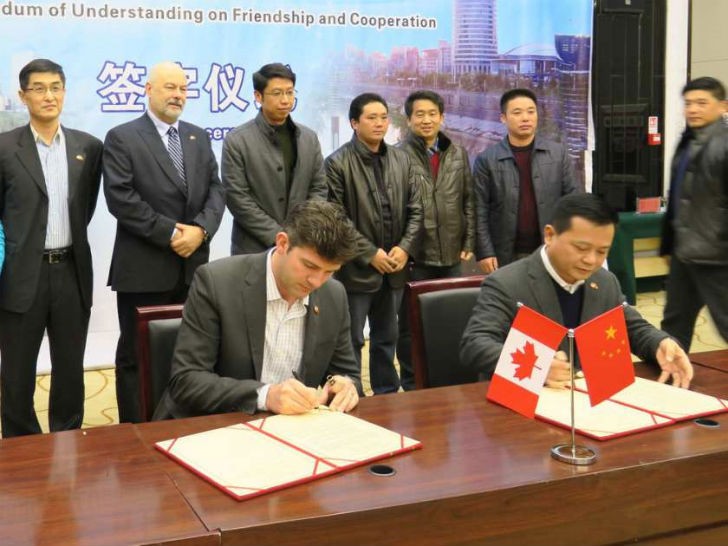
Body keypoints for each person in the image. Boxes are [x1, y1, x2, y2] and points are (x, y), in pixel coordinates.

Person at [153, 200, 362, 419]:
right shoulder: (216, 282)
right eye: (310, 266)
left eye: (329, 271)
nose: (317, 282)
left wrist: (345, 385)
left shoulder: (334, 295)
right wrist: (266, 396)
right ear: (282, 243)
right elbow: (186, 381)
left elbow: (348, 374)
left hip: (293, 430)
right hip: (218, 426)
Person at [461, 193, 693, 389]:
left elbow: (631, 327)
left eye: (602, 251)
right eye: (581, 248)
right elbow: (475, 344)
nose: (591, 260)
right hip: (523, 407)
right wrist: (537, 366)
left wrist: (661, 344)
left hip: (587, 401)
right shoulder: (506, 283)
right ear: (550, 235)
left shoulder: (605, 281)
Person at [103, 61, 225, 423]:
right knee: (135, 356)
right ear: (148, 90)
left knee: (191, 353)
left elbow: (217, 190)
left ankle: (183, 422)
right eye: (170, 87)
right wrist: (174, 234)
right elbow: (121, 198)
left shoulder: (197, 136)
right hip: (144, 269)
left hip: (193, 269)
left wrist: (201, 231)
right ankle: (135, 429)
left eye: (184, 89)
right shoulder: (122, 137)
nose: (177, 95)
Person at [0, 59, 103, 437]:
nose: (49, 96)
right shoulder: (5, 148)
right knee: (16, 371)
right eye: (39, 88)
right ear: (23, 96)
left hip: (71, 272)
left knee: (70, 368)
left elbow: (86, 207)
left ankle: (67, 437)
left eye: (56, 87)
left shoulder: (88, 148)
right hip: (20, 275)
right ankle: (20, 442)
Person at [326, 92, 423, 394]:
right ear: (354, 123)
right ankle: (352, 393)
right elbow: (336, 218)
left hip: (394, 266)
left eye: (383, 117)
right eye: (372, 117)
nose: (380, 123)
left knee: (386, 337)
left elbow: (417, 209)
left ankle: (386, 394)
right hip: (356, 271)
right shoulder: (337, 163)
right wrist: (369, 253)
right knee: (353, 339)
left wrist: (405, 248)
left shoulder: (402, 158)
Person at [395, 90, 475, 390]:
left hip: (452, 252)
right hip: (416, 255)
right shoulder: (397, 155)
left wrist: (469, 241)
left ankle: (449, 377)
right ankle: (412, 382)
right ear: (409, 119)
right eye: (420, 114)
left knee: (453, 318)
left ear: (442, 117)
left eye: (432, 114)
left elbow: (468, 199)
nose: (426, 120)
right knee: (410, 326)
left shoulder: (458, 153)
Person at [222, 63, 327, 255]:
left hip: (301, 244)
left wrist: (300, 230)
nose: (285, 100)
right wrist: (277, 235)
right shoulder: (237, 140)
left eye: (290, 92)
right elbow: (237, 198)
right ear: (258, 96)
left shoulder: (308, 137)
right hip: (253, 248)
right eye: (277, 93)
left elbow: (319, 188)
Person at [473, 88, 579, 274]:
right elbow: (478, 210)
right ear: (503, 118)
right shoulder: (487, 159)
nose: (525, 118)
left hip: (550, 249)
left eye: (531, 111)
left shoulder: (557, 153)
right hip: (505, 253)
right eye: (517, 112)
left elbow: (573, 201)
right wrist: (484, 252)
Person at [660, 76, 728, 352]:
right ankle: (671, 382)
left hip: (718, 256)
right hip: (684, 254)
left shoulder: (723, 145)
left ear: (723, 106)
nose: (693, 110)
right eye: (688, 103)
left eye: (702, 103)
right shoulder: (689, 141)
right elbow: (677, 199)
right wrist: (668, 245)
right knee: (674, 324)